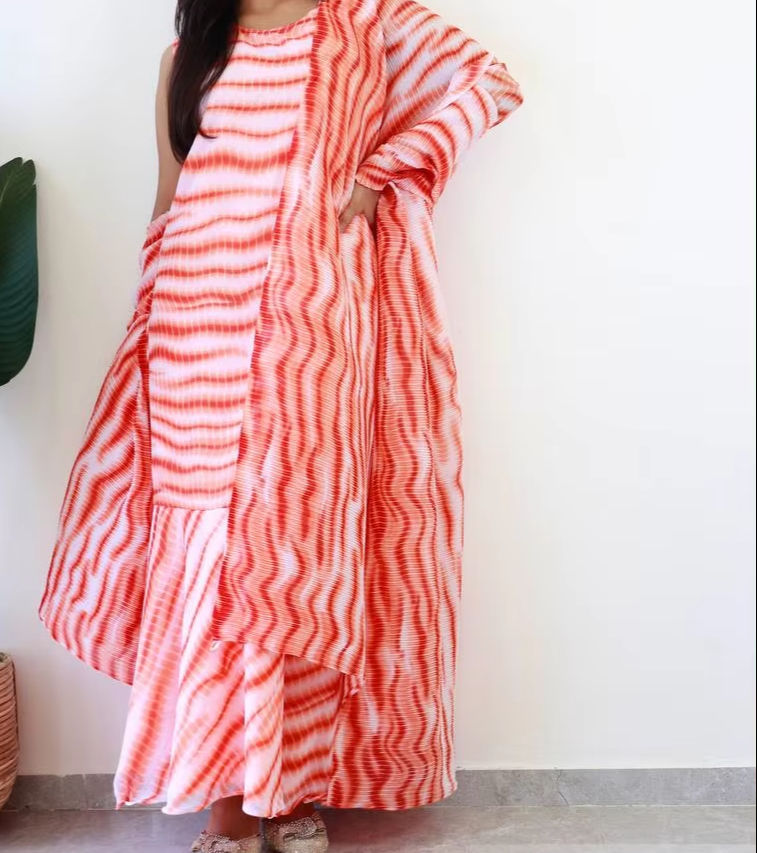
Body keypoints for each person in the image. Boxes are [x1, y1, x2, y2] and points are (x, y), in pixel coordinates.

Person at [38, 0, 522, 850]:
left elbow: (488, 81)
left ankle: (288, 790)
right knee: (210, 552)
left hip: (311, 330)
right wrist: (148, 322)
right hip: (195, 327)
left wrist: (380, 174)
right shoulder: (186, 55)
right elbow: (170, 197)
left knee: (291, 552)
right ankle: (231, 801)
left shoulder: (362, 20)